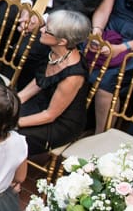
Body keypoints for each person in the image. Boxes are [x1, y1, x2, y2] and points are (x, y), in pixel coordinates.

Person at [14, 9, 92, 154]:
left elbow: (50, 115)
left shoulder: (73, 76)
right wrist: (9, 103)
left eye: (47, 30)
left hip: (59, 123)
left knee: (9, 138)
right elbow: (38, 83)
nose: (41, 29)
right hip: (41, 103)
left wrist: (12, 123)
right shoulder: (54, 52)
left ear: (62, 41)